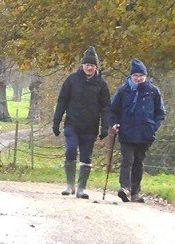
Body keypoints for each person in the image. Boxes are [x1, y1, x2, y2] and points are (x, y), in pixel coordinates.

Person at [52, 46, 111, 199]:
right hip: (72, 124)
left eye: (92, 65)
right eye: (87, 65)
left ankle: (81, 188)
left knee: (86, 156)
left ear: (96, 67)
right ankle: (70, 185)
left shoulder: (101, 84)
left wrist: (105, 127)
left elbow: (105, 107)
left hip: (90, 127)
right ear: (82, 65)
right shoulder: (72, 80)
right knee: (71, 150)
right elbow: (62, 101)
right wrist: (56, 121)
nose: (89, 68)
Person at [110, 58, 166, 203]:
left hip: (145, 133)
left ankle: (135, 192)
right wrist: (115, 123)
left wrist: (153, 127)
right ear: (131, 76)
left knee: (138, 162)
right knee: (127, 160)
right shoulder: (123, 91)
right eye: (135, 76)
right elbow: (113, 110)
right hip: (126, 131)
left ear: (146, 76)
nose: (138, 78)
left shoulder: (153, 91)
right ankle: (125, 189)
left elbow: (160, 112)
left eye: (141, 75)